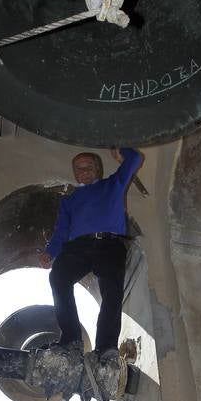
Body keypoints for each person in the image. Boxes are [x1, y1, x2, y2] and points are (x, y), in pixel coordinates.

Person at [38, 147, 142, 360]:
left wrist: (119, 150)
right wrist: (50, 253)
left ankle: (105, 347)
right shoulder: (69, 201)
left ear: (98, 169)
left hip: (110, 245)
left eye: (89, 167)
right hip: (78, 248)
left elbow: (135, 158)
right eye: (79, 168)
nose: (84, 171)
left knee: (112, 292)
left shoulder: (113, 184)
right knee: (58, 277)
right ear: (74, 172)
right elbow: (61, 232)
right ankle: (71, 340)